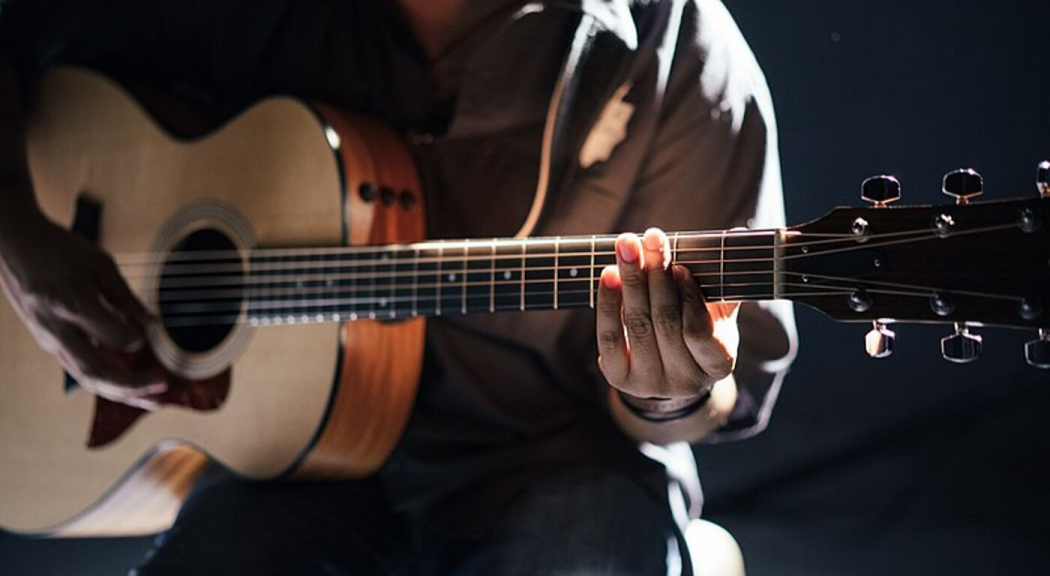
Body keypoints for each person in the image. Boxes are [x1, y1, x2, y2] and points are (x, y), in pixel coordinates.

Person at [0, 0, 796, 574]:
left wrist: (670, 389)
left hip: (554, 464)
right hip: (290, 473)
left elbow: (717, 396)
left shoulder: (683, 51)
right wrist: (18, 235)